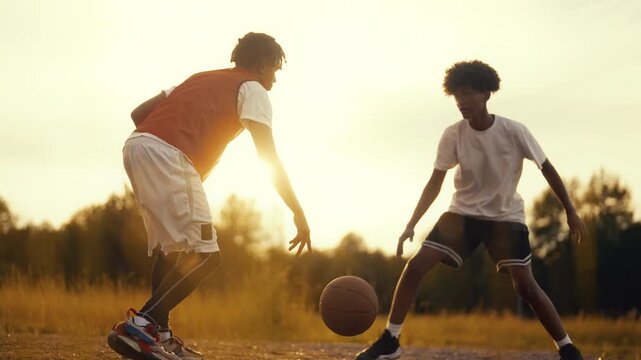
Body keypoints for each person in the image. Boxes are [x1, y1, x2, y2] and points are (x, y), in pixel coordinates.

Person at [355, 60, 587, 360]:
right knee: (415, 266)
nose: (461, 102)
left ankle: (567, 348)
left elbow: (547, 169)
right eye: (457, 96)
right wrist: (412, 223)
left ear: (486, 94)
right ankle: (391, 340)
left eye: (467, 94)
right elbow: (435, 183)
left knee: (525, 286)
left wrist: (570, 209)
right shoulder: (453, 134)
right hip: (462, 215)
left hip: (505, 217)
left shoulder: (514, 131)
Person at [107, 32, 312, 360]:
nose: (274, 79)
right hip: (169, 155)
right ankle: (140, 326)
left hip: (137, 146)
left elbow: (139, 112)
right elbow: (268, 155)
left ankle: (158, 333)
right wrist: (297, 211)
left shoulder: (201, 79)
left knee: (169, 250)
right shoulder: (253, 88)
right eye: (275, 70)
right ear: (261, 65)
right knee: (206, 256)